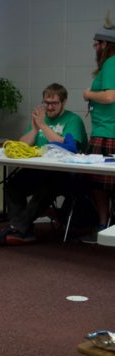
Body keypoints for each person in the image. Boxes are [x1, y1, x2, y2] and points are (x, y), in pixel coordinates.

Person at [0, 83, 88, 246]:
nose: (49, 107)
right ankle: (24, 230)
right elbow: (23, 144)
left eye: (54, 103)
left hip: (66, 173)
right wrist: (36, 128)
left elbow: (67, 145)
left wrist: (43, 125)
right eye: (46, 103)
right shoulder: (40, 120)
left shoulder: (73, 120)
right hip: (41, 169)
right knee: (12, 186)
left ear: (64, 102)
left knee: (46, 187)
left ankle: (17, 228)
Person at [84, 17, 115, 236]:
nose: (95, 48)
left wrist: (88, 94)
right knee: (100, 184)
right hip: (105, 130)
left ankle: (104, 225)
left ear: (105, 44)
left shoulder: (111, 62)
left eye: (96, 44)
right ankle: (105, 226)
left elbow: (110, 96)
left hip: (107, 133)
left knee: (100, 185)